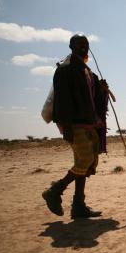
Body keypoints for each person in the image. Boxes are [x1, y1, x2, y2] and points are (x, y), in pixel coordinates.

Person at [42, 34, 109, 219]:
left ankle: (78, 206)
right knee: (85, 160)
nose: (83, 47)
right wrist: (67, 126)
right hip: (74, 123)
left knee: (86, 164)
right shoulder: (66, 69)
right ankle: (54, 191)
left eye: (85, 44)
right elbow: (62, 99)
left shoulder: (86, 71)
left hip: (88, 122)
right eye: (79, 44)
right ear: (71, 46)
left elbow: (93, 94)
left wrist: (101, 88)